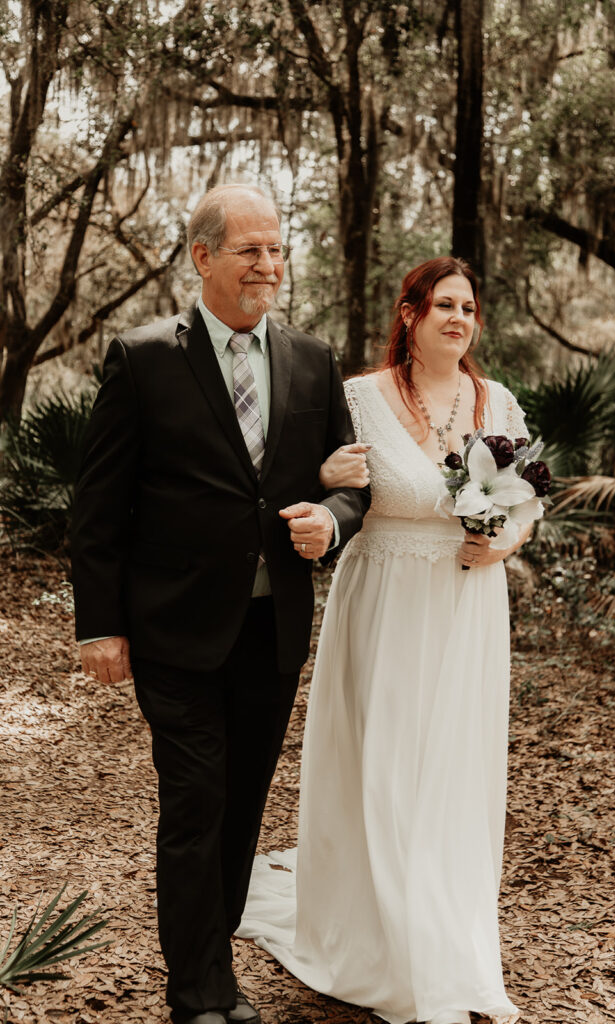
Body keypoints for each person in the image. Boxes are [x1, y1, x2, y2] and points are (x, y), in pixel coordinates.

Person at [70, 183, 370, 1024]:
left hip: (271, 631)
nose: (269, 265)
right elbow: (98, 507)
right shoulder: (143, 358)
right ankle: (200, 991)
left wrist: (332, 521)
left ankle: (214, 954)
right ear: (202, 258)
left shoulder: (312, 360)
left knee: (241, 806)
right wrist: (99, 623)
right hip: (174, 626)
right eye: (250, 250)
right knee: (196, 799)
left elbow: (351, 482)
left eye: (277, 249)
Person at [237, 257, 531, 1024]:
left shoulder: (497, 401)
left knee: (450, 773)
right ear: (410, 314)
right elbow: (320, 490)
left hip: (468, 608)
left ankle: (444, 940)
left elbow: (524, 502)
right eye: (443, 305)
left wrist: (499, 541)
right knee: (383, 768)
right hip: (383, 603)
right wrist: (326, 476)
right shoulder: (359, 398)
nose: (459, 319)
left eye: (469, 307)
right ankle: (383, 943)